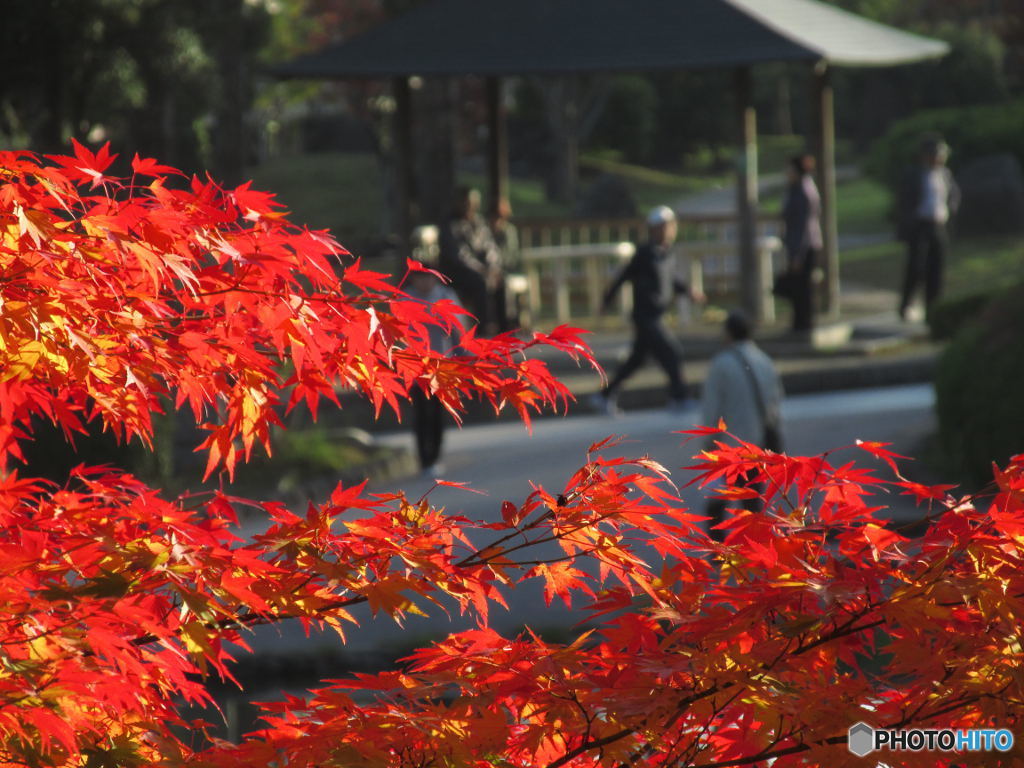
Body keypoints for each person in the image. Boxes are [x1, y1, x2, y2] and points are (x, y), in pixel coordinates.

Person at [590, 205, 700, 416]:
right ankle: (680, 397)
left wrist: (688, 291)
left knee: (636, 360)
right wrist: (607, 300)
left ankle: (604, 395)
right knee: (671, 352)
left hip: (656, 315)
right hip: (645, 315)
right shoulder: (645, 253)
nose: (671, 230)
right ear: (655, 229)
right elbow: (623, 277)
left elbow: (672, 281)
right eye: (667, 226)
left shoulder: (666, 253)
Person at [700, 310, 784, 541]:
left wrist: (707, 442)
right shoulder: (765, 360)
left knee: (718, 501)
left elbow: (711, 408)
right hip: (759, 443)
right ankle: (756, 548)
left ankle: (719, 552)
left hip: (730, 445)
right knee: (752, 500)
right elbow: (776, 401)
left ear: (728, 333)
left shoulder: (721, 364)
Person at [406, 225, 465, 477]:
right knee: (420, 413)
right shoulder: (405, 299)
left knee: (438, 413)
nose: (424, 282)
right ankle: (424, 458)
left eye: (427, 276)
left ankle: (435, 455)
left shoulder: (445, 296)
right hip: (414, 365)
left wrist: (463, 357)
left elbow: (460, 331)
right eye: (419, 276)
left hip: (442, 364)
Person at [897, 135, 961, 321]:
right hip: (919, 225)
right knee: (916, 266)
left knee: (936, 267)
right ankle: (906, 304)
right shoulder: (914, 174)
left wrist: (949, 210)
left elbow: (954, 194)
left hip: (938, 224)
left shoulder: (944, 174)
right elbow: (905, 201)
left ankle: (933, 309)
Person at [439, 186, 505, 334]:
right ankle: (483, 328)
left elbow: (490, 247)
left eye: (474, 203)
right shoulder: (450, 224)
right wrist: (483, 270)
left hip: (481, 270)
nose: (470, 207)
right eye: (467, 203)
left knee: (501, 280)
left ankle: (504, 326)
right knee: (481, 282)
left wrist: (492, 267)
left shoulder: (479, 222)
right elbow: (460, 256)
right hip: (457, 273)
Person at [781, 153, 822, 334]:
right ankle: (800, 323)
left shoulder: (803, 191)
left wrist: (797, 254)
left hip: (804, 246)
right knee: (799, 286)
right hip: (801, 244)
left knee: (803, 287)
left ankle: (804, 324)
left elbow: (803, 225)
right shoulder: (798, 188)